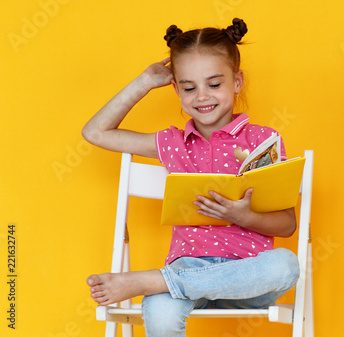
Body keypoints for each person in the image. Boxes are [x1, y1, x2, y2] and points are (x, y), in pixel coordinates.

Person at [82, 18, 299, 336]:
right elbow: (95, 132)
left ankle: (157, 281)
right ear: (175, 89)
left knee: (286, 265)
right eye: (188, 87)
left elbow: (288, 225)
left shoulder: (263, 140)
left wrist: (245, 216)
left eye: (214, 84)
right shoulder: (171, 143)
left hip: (247, 275)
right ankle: (167, 282)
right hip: (187, 267)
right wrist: (145, 81)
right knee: (158, 312)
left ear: (237, 82)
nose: (202, 97)